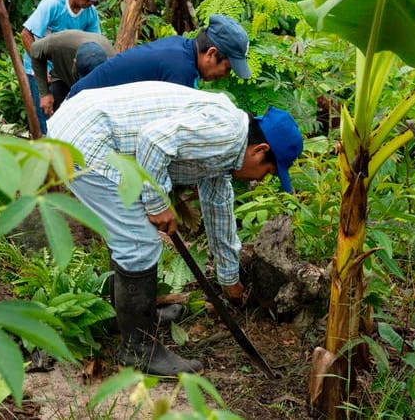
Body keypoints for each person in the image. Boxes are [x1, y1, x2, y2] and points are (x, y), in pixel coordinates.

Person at [46, 83, 303, 376]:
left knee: (131, 238)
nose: (260, 179)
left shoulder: (227, 151)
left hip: (87, 131)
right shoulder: (226, 134)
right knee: (139, 243)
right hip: (85, 141)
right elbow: (153, 142)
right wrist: (157, 203)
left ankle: (130, 319)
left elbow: (218, 208)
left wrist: (229, 277)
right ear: (260, 150)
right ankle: (138, 350)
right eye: (268, 172)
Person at [64, 13, 251, 100]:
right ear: (211, 53)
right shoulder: (181, 70)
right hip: (81, 106)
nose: (226, 75)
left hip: (81, 98)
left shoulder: (181, 47)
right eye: (227, 68)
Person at [28, 30, 114, 115]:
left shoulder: (113, 64)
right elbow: (34, 50)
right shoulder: (57, 43)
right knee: (58, 113)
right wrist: (44, 93)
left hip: (99, 87)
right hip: (62, 78)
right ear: (74, 62)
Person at [19, 0, 105, 55]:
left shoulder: (91, 12)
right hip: (42, 59)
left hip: (65, 61)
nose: (90, 3)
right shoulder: (53, 3)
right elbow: (26, 34)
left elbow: (95, 42)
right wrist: (37, 62)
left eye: (93, 0)